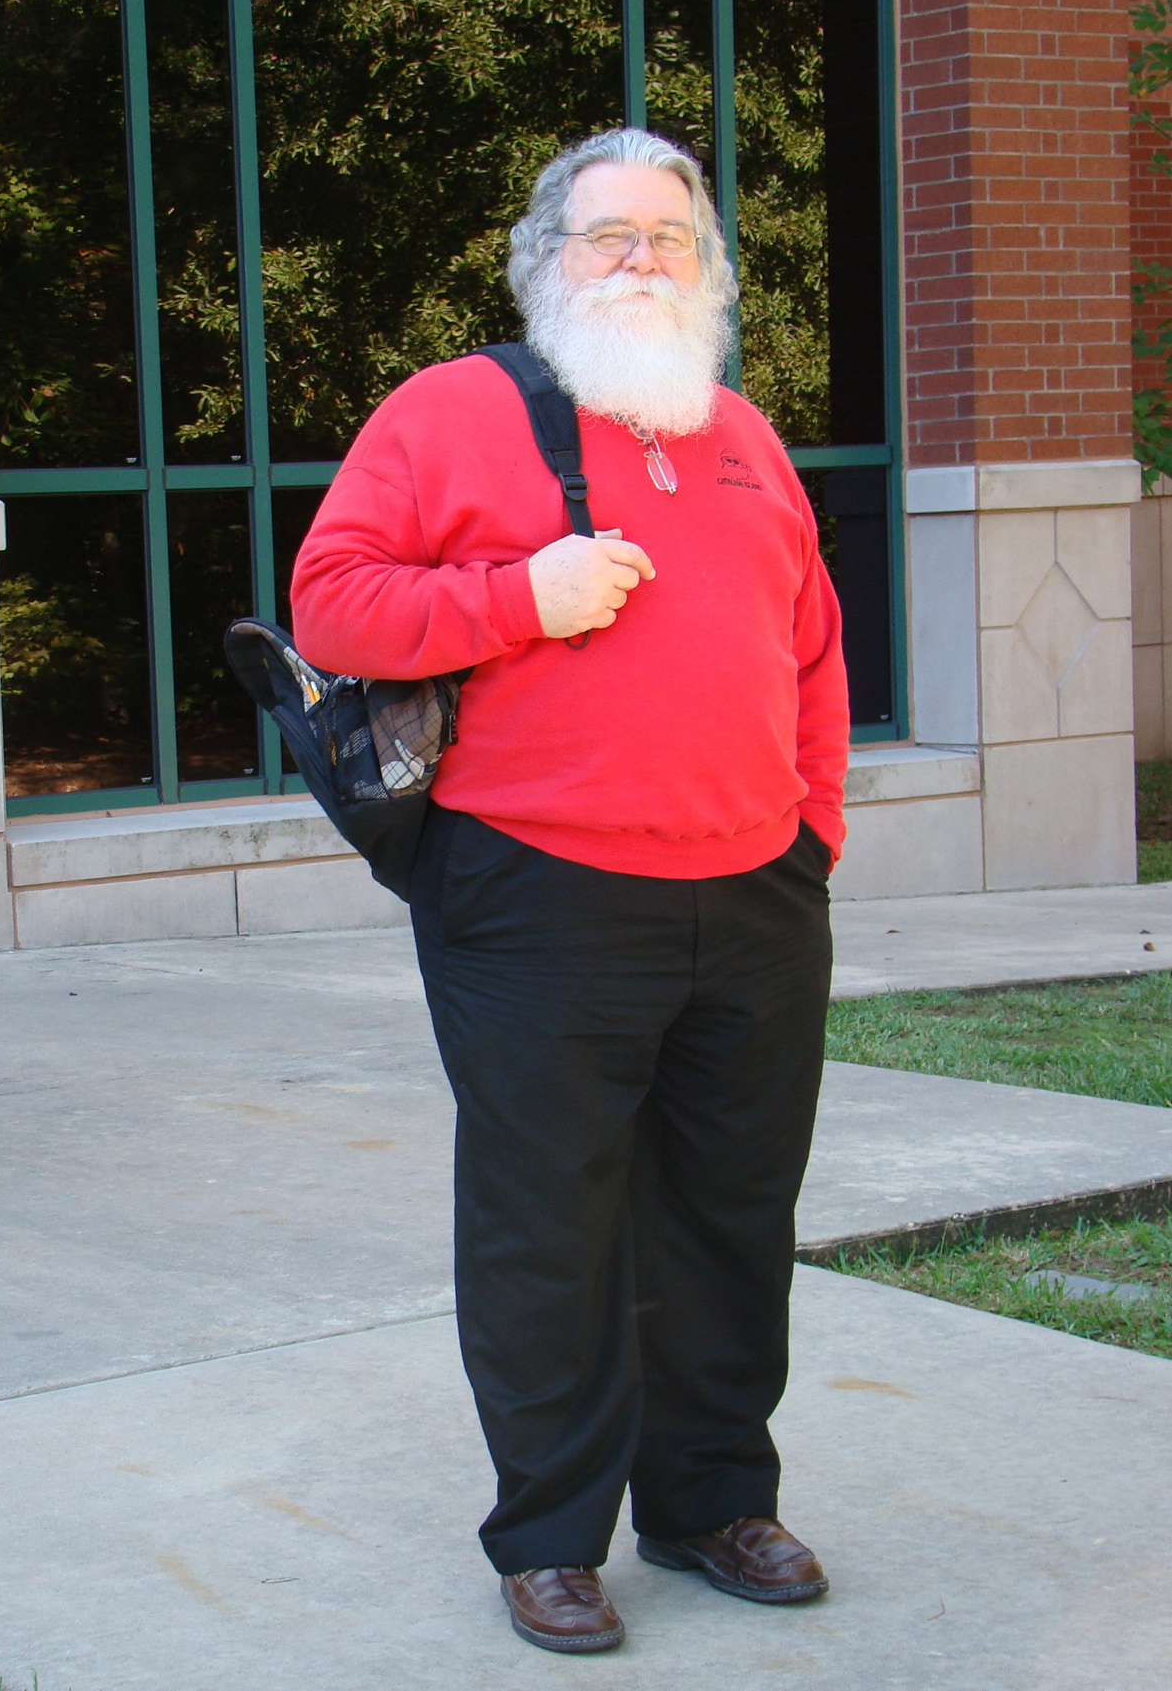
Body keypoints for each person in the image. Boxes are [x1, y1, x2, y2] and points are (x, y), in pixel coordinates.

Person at [291, 126, 848, 1654]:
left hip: (752, 893)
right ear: (544, 261)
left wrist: (814, 833)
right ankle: (548, 1534)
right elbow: (330, 596)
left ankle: (710, 1499)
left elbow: (809, 643)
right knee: (552, 1222)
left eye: (668, 237)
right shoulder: (451, 411)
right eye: (607, 234)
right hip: (535, 895)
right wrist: (517, 599)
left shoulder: (739, 428)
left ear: (709, 270)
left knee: (731, 1215)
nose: (638, 259)